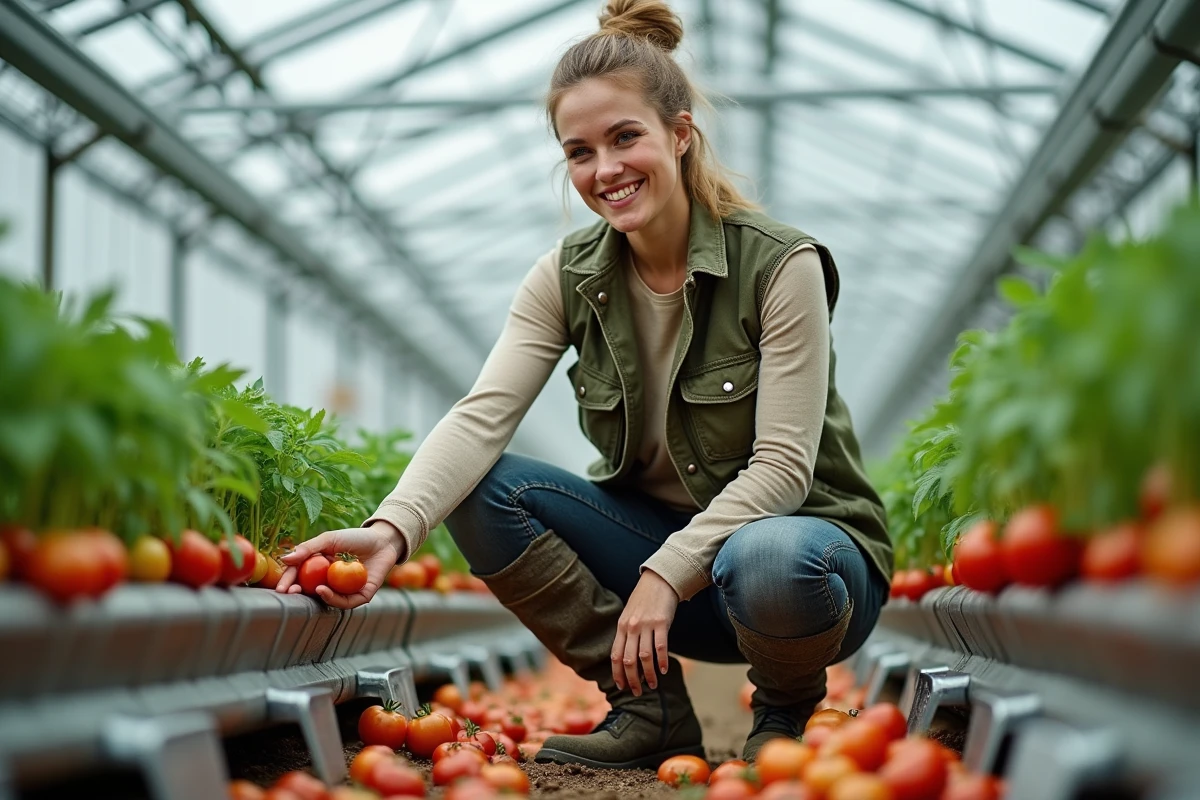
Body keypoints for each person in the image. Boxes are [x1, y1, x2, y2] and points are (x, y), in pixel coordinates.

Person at [278, 0, 893, 769]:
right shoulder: (567, 276)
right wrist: (393, 528)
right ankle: (648, 708)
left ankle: (786, 714)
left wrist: (666, 575)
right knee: (484, 486)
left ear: (679, 133)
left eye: (625, 136)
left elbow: (782, 470)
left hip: (804, 574)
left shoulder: (780, 264)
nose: (605, 170)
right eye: (579, 151)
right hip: (661, 573)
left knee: (767, 556)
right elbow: (481, 417)